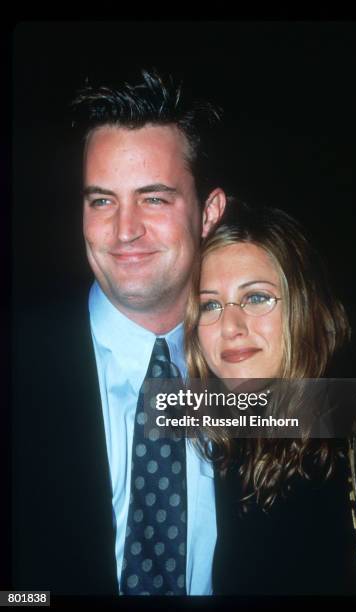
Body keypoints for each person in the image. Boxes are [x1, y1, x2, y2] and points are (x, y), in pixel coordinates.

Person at [13, 70, 226, 596]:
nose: (124, 230)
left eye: (154, 198)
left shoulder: (256, 373)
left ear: (208, 214)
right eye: (102, 200)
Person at [184, 201, 356, 595]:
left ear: (303, 304)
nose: (230, 326)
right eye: (210, 304)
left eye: (257, 298)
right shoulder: (215, 444)